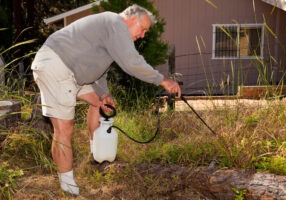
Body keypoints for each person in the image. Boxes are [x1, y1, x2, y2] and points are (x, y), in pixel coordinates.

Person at [31, 4, 181, 195]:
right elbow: (132, 63)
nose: (143, 35)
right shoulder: (115, 23)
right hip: (57, 64)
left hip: (72, 70)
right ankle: (67, 186)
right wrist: (162, 80)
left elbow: (99, 73)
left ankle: (97, 157)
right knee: (64, 129)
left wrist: (103, 94)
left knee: (100, 104)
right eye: (143, 29)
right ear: (132, 19)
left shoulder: (109, 29)